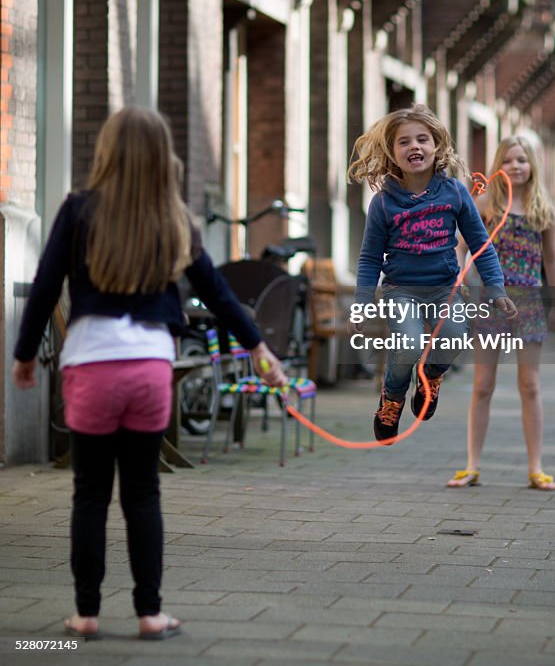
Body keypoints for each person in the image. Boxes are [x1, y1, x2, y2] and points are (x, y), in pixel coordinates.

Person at [12, 108, 287, 641]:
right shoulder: (175, 220)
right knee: (142, 494)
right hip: (148, 368)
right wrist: (259, 349)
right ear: (166, 159)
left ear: (107, 153)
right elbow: (219, 294)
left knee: (89, 495)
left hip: (91, 365)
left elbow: (45, 287)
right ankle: (150, 613)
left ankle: (86, 614)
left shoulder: (78, 210)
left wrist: (24, 355)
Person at [347, 105, 517, 443]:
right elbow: (369, 258)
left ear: (436, 145)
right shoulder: (383, 203)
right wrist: (363, 302)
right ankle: (392, 398)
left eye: (422, 139)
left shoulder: (455, 192)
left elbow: (481, 244)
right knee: (408, 344)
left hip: (445, 289)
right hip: (400, 290)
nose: (415, 147)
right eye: (404, 142)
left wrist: (497, 290)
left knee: (455, 336)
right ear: (392, 153)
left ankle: (431, 375)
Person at [447, 135, 555, 491]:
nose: (516, 166)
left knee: (530, 386)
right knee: (483, 384)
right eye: (509, 160)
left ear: (532, 166)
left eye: (522, 160)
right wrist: (458, 280)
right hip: (490, 305)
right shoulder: (484, 205)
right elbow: (460, 246)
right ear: (500, 164)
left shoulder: (543, 209)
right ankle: (472, 465)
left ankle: (536, 467)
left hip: (528, 304)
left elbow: (550, 259)